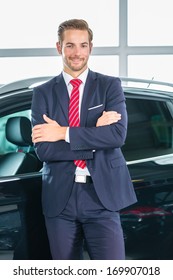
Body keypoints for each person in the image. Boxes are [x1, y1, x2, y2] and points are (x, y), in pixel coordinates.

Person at [31, 19, 137, 260]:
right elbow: (45, 151)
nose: (76, 53)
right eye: (69, 45)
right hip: (60, 199)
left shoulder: (110, 86)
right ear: (59, 47)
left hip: (102, 196)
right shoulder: (42, 93)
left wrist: (63, 133)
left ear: (91, 47)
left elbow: (117, 135)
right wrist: (95, 138)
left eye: (82, 45)